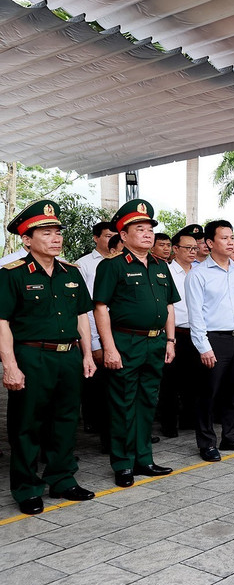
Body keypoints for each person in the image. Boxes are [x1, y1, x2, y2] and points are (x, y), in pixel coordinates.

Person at [0, 200, 97, 515]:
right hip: (32, 356)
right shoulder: (12, 274)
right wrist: (10, 366)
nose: (55, 238)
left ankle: (62, 478)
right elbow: (2, 322)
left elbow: (82, 315)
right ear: (27, 240)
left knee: (67, 420)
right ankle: (27, 487)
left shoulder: (72, 272)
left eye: (57, 232)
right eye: (46, 232)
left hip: (68, 355)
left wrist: (86, 353)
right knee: (27, 424)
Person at [93, 199, 177, 488]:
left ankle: (145, 458)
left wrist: (170, 340)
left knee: (147, 402)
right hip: (125, 341)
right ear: (124, 236)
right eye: (139, 229)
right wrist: (109, 348)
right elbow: (101, 308)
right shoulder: (112, 266)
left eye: (149, 229)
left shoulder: (161, 266)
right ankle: (123, 463)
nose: (147, 234)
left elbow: (168, 307)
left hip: (155, 343)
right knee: (123, 405)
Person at [184, 221, 234, 462]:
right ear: (209, 243)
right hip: (214, 340)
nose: (231, 242)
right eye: (225, 238)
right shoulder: (198, 274)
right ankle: (206, 443)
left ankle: (231, 436)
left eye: (232, 237)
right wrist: (203, 347)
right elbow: (195, 315)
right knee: (208, 394)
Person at [155, 228, 202, 438]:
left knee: (194, 380)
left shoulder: (200, 271)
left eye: (195, 248)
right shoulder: (165, 271)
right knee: (170, 383)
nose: (193, 252)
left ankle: (189, 420)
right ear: (175, 249)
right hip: (175, 334)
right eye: (188, 248)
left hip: (197, 332)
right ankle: (168, 424)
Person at [76, 221, 116, 447]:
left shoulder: (119, 262)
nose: (111, 239)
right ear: (95, 238)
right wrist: (93, 342)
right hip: (95, 334)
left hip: (117, 333)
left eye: (114, 235)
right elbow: (86, 308)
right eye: (107, 235)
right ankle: (97, 426)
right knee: (96, 386)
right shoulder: (84, 265)